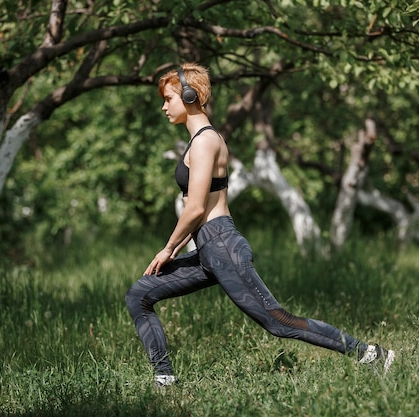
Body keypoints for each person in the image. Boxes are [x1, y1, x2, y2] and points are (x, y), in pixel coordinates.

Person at [125, 63, 395, 386]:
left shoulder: (205, 142)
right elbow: (196, 209)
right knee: (139, 294)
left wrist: (169, 248)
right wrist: (180, 247)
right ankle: (165, 380)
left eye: (169, 98)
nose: (164, 106)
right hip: (210, 250)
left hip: (222, 246)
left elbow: (196, 207)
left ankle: (370, 354)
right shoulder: (197, 141)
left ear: (189, 95)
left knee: (278, 322)